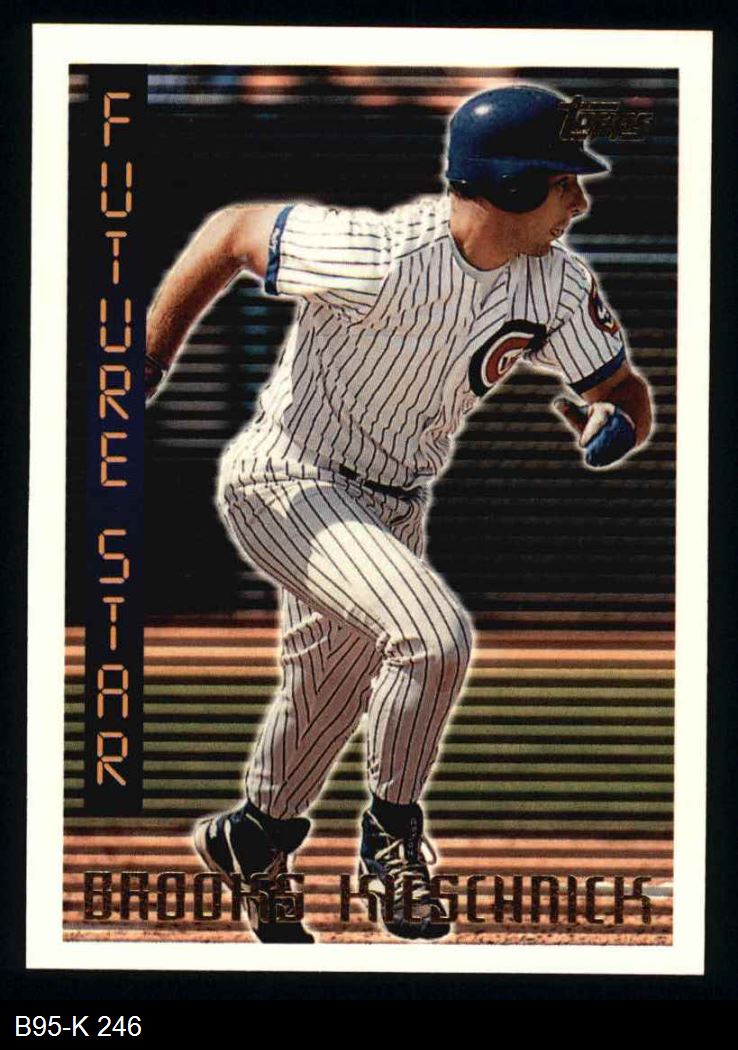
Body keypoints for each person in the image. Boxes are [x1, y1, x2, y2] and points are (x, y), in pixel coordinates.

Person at [145, 84, 654, 944]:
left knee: (325, 697)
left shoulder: (560, 284)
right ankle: (392, 839)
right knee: (433, 637)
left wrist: (619, 420)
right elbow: (233, 230)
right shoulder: (380, 254)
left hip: (392, 507)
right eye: (563, 180)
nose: (580, 198)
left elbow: (620, 388)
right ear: (511, 184)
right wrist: (147, 359)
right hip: (288, 480)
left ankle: (254, 837)